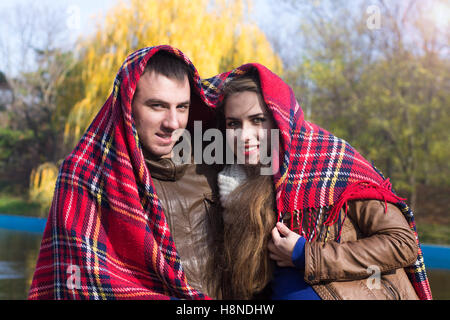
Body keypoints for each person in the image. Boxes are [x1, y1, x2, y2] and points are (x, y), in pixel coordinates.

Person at [209, 65, 432, 300]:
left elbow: (402, 244)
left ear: (279, 119)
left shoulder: (332, 162)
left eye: (257, 120)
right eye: (234, 124)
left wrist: (306, 255)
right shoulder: (230, 184)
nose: (244, 135)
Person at [28, 46, 221, 300]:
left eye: (182, 107)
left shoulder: (212, 168)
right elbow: (77, 286)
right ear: (128, 104)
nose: (173, 123)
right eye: (157, 106)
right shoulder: (85, 176)